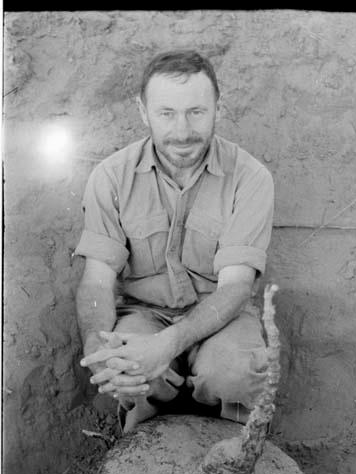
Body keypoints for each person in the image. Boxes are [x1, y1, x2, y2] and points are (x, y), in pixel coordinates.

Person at [75, 49, 275, 433]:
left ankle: (239, 440)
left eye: (196, 112)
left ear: (219, 106)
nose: (182, 131)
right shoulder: (111, 176)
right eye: (166, 113)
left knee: (232, 372)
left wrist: (167, 346)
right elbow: (96, 281)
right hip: (144, 313)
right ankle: (142, 442)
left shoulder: (250, 177)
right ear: (142, 111)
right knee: (127, 369)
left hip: (221, 315)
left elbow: (235, 289)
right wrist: (96, 348)